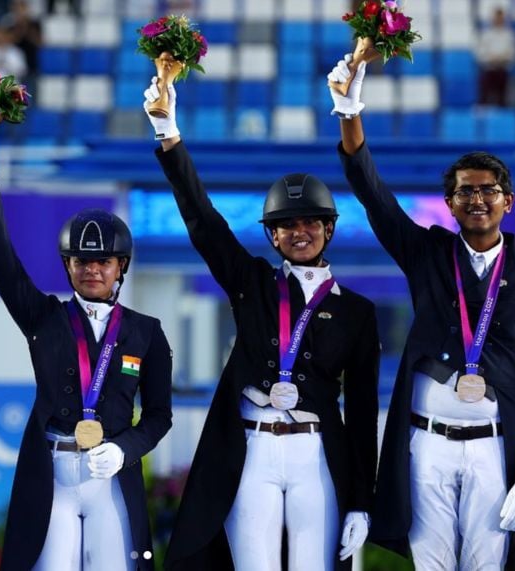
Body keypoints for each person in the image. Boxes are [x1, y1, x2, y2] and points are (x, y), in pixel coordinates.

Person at [329, 55, 515, 570]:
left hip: (493, 449)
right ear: (450, 203)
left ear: (508, 201)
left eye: (488, 191)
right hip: (427, 446)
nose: (477, 199)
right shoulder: (427, 254)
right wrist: (350, 111)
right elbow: (374, 196)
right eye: (465, 191)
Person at [144, 78, 380, 570]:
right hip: (252, 449)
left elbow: (361, 411)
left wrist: (362, 499)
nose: (299, 232)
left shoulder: (358, 312)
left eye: (310, 222)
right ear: (272, 236)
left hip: (316, 454)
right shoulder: (251, 283)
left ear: (329, 228)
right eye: (287, 225)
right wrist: (169, 134)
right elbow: (204, 222)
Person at [0, 132, 173, 570]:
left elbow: (159, 416)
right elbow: (0, 261)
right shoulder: (44, 318)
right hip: (53, 476)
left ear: (121, 267)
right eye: (81, 261)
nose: (92, 269)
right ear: (67, 265)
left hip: (111, 475)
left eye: (103, 262)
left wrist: (126, 449)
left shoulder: (147, 332)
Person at [475, 7, 515, 107]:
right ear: (492, 19)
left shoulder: (509, 35)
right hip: (489, 69)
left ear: (503, 19)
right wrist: (491, 58)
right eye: (496, 18)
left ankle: (502, 110)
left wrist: (502, 58)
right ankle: (483, 111)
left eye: (500, 18)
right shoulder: (486, 35)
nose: (498, 20)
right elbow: (480, 53)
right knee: (484, 97)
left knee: (503, 99)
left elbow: (513, 54)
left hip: (503, 69)